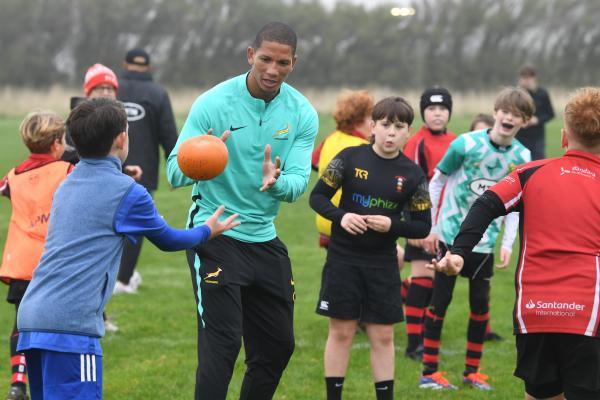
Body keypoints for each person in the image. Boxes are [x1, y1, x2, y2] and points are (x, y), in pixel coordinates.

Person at [15, 98, 238, 400]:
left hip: (32, 318)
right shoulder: (127, 193)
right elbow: (168, 239)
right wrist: (206, 231)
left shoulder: (67, 182)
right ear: (122, 138)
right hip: (71, 326)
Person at [165, 22, 318, 400]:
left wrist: (277, 182)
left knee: (278, 346)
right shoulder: (214, 103)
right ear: (251, 55)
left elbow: (298, 183)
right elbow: (172, 174)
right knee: (223, 345)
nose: (272, 70)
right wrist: (203, 155)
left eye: (282, 63)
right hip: (214, 232)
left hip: (263, 235)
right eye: (265, 59)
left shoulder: (302, 112)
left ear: (293, 64)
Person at [428, 86, 600, 400]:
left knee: (540, 395)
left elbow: (484, 205)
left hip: (535, 312)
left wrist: (458, 252)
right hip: (587, 315)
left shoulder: (528, 173)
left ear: (564, 137)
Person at [310, 96, 432, 400]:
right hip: (343, 259)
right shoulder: (349, 158)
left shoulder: (414, 175)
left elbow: (422, 226)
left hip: (383, 263)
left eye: (399, 127)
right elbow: (318, 198)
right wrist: (342, 216)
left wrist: (392, 225)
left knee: (383, 335)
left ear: (408, 132)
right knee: (341, 332)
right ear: (373, 127)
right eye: (385, 125)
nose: (391, 133)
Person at [419, 87, 534, 390]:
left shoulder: (522, 156)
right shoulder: (466, 143)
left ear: (526, 121)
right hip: (450, 235)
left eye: (517, 115)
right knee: (440, 301)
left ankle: (472, 373)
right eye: (505, 111)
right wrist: (432, 226)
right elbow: (437, 181)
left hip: (485, 242)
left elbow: (515, 203)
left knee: (480, 306)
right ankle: (429, 372)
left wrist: (507, 243)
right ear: (496, 112)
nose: (509, 118)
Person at [0, 111, 72, 400]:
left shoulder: (13, 176)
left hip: (21, 264)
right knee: (57, 324)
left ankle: (18, 383)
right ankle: (54, 380)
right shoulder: (66, 171)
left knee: (21, 323)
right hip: (53, 262)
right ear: (56, 143)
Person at [114, 48, 179, 294]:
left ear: (124, 64)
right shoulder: (158, 93)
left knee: (108, 220)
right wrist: (177, 170)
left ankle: (110, 275)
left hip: (110, 164)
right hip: (144, 172)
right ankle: (123, 279)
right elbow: (169, 135)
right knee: (136, 223)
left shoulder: (111, 89)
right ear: (149, 67)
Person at [401, 87, 456, 360]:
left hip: (449, 224)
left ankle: (424, 336)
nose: (437, 113)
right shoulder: (417, 142)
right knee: (422, 280)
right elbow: (411, 184)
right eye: (432, 109)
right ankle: (414, 344)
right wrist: (415, 224)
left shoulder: (458, 142)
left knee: (436, 284)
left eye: (443, 109)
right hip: (423, 221)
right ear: (423, 112)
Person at [311, 90, 373, 248]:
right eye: (370, 117)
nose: (374, 123)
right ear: (359, 120)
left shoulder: (330, 139)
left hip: (325, 219)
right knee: (396, 257)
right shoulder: (363, 148)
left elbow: (314, 163)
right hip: (347, 222)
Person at [516, 64, 555, 160]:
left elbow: (550, 114)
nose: (526, 80)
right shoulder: (515, 94)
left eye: (529, 77)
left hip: (537, 137)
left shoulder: (542, 93)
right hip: (519, 135)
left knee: (537, 163)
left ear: (534, 78)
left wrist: (537, 120)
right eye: (524, 78)